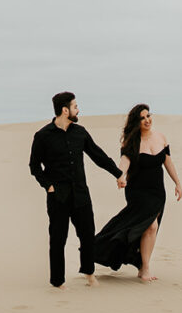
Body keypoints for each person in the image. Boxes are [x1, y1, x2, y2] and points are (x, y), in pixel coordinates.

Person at [29, 91, 123, 289]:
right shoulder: (43, 136)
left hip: (81, 195)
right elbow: (34, 166)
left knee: (87, 235)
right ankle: (57, 282)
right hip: (58, 198)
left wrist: (118, 173)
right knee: (58, 239)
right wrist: (48, 186)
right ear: (65, 110)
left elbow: (98, 155)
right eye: (75, 106)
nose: (78, 109)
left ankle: (89, 274)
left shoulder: (80, 132)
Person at [94, 104, 182, 281]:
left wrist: (177, 183)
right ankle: (145, 268)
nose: (147, 120)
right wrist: (120, 176)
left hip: (157, 191)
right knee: (151, 225)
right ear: (137, 122)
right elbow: (124, 162)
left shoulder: (161, 138)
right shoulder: (131, 142)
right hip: (138, 192)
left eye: (148, 116)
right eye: (142, 118)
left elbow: (168, 163)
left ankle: (143, 267)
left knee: (151, 228)